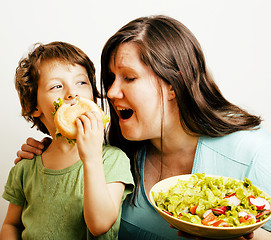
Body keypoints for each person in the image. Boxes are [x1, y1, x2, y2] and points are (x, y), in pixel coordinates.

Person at [14, 16, 271, 240]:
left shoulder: (254, 154)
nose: (111, 92)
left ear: (174, 83)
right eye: (111, 78)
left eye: (129, 77)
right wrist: (52, 153)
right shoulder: (117, 154)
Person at [0, 41, 134, 240]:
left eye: (81, 82)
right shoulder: (26, 167)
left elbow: (100, 226)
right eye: (56, 86)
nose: (73, 93)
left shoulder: (112, 160)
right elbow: (11, 224)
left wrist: (92, 159)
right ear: (34, 106)